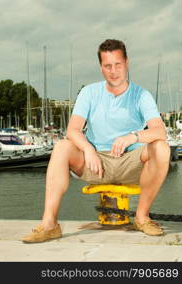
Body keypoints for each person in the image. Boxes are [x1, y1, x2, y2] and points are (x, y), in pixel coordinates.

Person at [22, 39, 170, 243]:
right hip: (96, 163)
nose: (113, 71)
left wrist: (132, 136)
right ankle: (49, 224)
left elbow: (159, 130)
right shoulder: (89, 93)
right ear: (101, 67)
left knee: (161, 148)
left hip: (131, 163)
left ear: (126, 63)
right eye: (108, 66)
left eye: (118, 64)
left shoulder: (141, 95)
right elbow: (72, 129)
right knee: (63, 146)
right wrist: (88, 150)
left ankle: (142, 217)